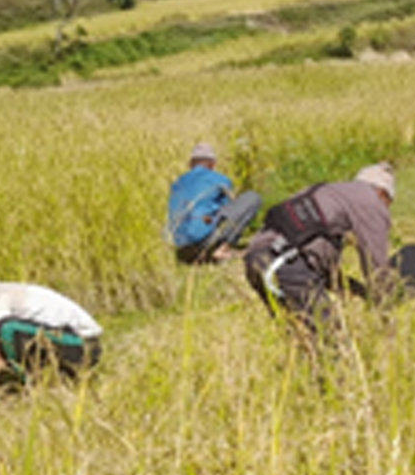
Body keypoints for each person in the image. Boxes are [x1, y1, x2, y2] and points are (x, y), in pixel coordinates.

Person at [242, 163, 395, 337]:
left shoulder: (323, 192)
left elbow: (309, 251)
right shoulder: (371, 202)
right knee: (334, 344)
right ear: (382, 194)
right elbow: (376, 264)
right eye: (388, 204)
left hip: (257, 260)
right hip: (288, 265)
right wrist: (386, 311)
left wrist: (357, 289)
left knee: (302, 343)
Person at [0, 250, 103, 387]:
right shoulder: (1, 295)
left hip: (83, 345)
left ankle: (36, 386)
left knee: (6, 331)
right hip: (71, 341)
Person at [166, 141, 263, 264]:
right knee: (252, 197)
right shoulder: (221, 180)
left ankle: (190, 254)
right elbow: (229, 210)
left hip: (179, 242)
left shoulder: (177, 183)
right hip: (201, 239)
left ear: (190, 164)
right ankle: (223, 249)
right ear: (213, 165)